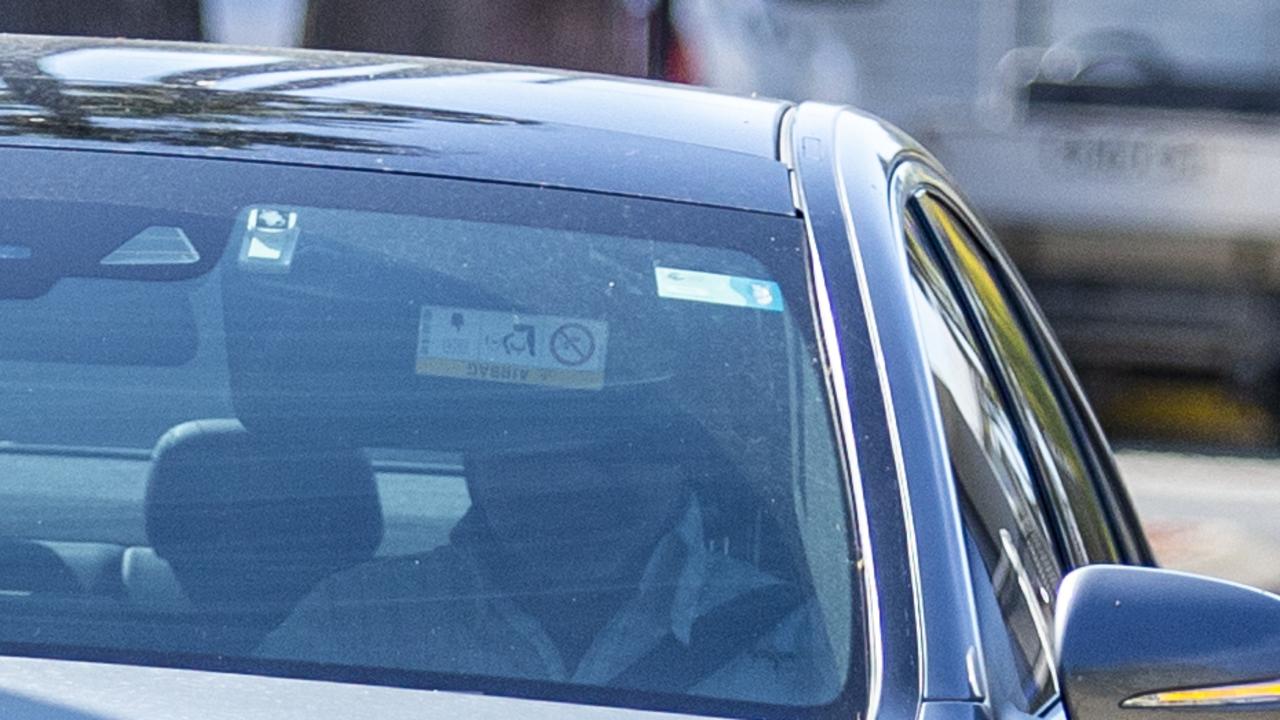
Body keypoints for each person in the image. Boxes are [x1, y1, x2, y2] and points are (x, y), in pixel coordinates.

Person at [255, 447, 841, 702]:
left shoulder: (814, 645)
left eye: (617, 448)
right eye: (538, 451)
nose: (573, 484)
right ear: (475, 465)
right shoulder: (359, 617)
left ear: (683, 466)